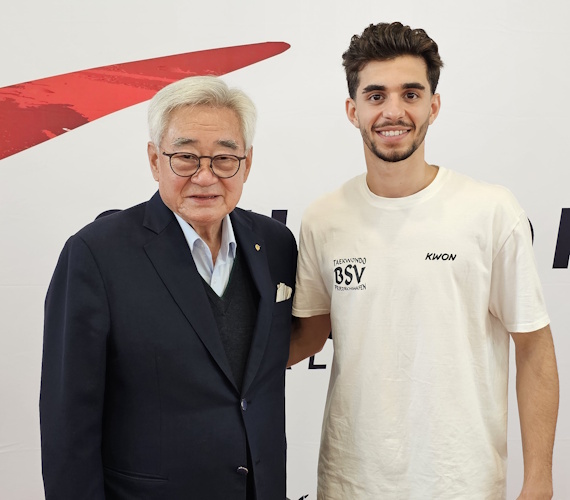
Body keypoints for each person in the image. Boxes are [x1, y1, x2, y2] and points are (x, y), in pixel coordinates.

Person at [289, 22, 559, 499]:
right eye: (376, 96)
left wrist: (539, 481)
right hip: (350, 484)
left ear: (433, 106)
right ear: (353, 111)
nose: (393, 111)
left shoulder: (491, 210)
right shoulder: (323, 218)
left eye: (410, 94)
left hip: (463, 484)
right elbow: (308, 334)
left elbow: (534, 347)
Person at [40, 76, 297, 500]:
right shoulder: (97, 253)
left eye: (224, 159)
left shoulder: (275, 244)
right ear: (155, 160)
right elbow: (68, 419)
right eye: (185, 157)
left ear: (247, 163)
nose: (205, 176)